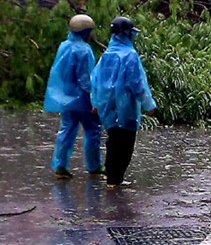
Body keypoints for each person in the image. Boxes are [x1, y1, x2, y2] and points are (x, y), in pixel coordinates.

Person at [91, 16, 157, 188]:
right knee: (126, 145)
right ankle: (115, 178)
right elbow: (137, 83)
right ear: (127, 33)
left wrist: (96, 103)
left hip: (107, 106)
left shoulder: (107, 54)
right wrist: (149, 104)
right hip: (126, 107)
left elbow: (95, 80)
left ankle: (111, 175)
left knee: (113, 139)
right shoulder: (130, 55)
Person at [44, 14, 104, 179]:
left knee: (67, 130)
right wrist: (95, 98)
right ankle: (94, 165)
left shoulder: (64, 46)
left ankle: (60, 165)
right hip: (83, 99)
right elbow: (85, 79)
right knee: (93, 131)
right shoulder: (84, 50)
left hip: (67, 98)